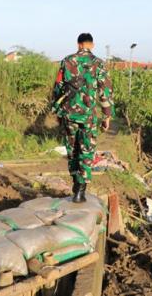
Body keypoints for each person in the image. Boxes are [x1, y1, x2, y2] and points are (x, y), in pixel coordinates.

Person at [52, 33, 114, 203]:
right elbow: (105, 91)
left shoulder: (66, 61)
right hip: (88, 116)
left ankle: (75, 184)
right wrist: (107, 116)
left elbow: (58, 87)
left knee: (72, 151)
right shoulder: (98, 63)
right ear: (91, 45)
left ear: (79, 44)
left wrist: (57, 110)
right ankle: (81, 190)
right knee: (86, 151)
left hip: (69, 115)